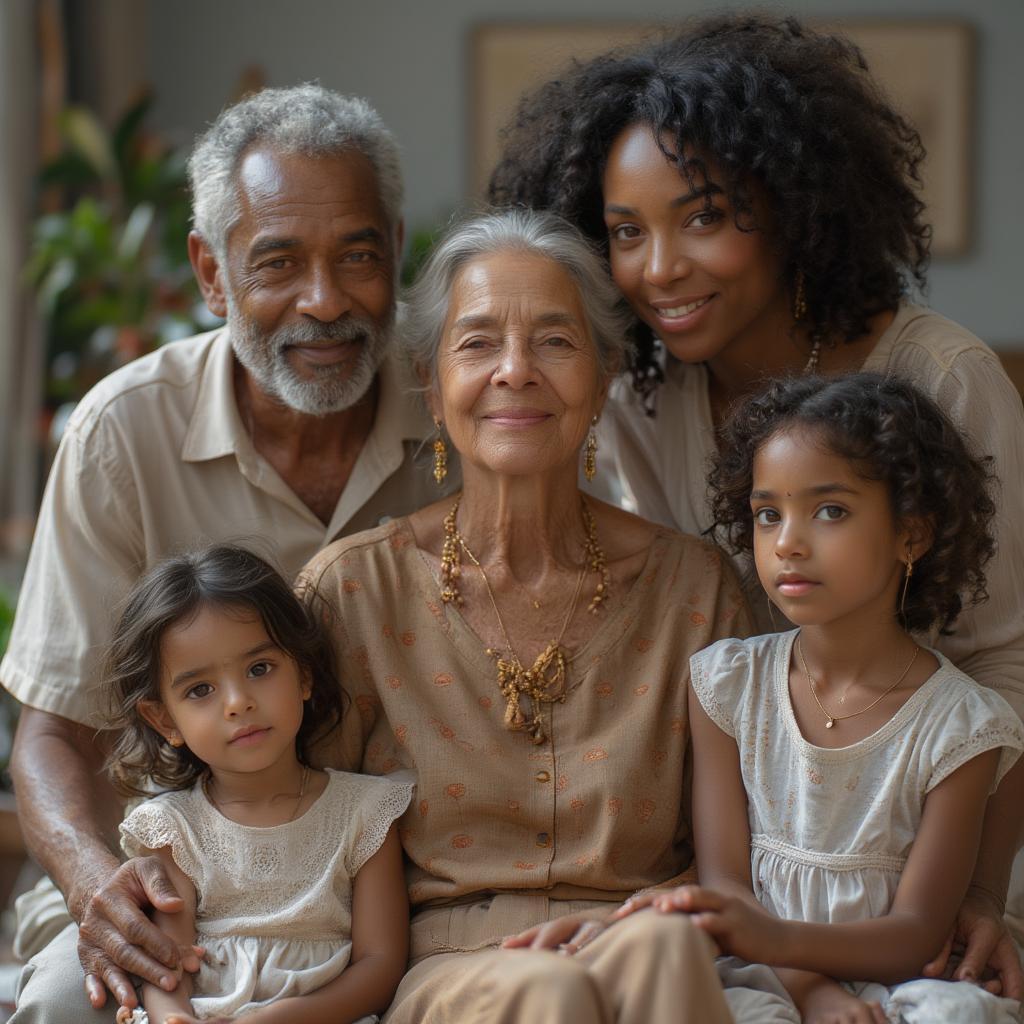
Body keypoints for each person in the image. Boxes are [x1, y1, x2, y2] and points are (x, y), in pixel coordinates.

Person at [488, 14, 1024, 989]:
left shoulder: (940, 375)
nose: (659, 269)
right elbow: (695, 650)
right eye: (624, 233)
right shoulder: (640, 402)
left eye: (702, 217)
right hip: (751, 860)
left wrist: (982, 897)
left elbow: (1006, 664)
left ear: (790, 206)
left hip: (930, 852)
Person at [3, 85, 452, 1022]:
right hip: (173, 890)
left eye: (358, 256)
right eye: (278, 262)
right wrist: (100, 888)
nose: (324, 302)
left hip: (401, 882)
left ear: (398, 251)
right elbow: (52, 731)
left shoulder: (469, 403)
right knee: (63, 1007)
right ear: (211, 273)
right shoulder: (123, 433)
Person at [299, 208, 751, 1023]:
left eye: (554, 340)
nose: (516, 370)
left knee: (668, 945)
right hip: (446, 970)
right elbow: (298, 831)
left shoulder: (696, 588)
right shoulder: (354, 593)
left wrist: (649, 915)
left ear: (603, 377)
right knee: (549, 991)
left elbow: (743, 854)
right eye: (476, 343)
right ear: (434, 392)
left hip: (643, 936)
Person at [619, 373, 1024, 1024]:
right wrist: (812, 991)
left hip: (898, 980)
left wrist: (804, 961)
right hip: (761, 974)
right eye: (767, 514)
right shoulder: (727, 687)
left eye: (830, 510)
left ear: (911, 535)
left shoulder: (964, 727)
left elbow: (918, 931)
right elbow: (728, 890)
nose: (788, 543)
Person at [103, 545, 411, 1024]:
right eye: (200, 689)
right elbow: (167, 968)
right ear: (164, 718)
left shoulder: (365, 813)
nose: (237, 702)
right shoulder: (174, 830)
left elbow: (381, 965)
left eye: (259, 669)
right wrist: (171, 1018)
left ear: (303, 673)